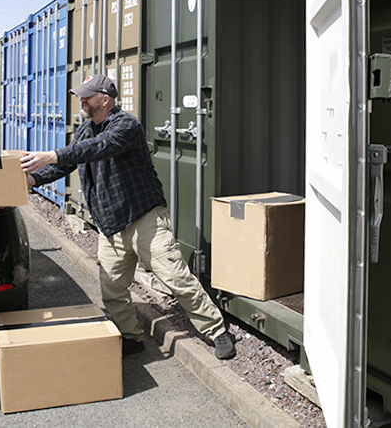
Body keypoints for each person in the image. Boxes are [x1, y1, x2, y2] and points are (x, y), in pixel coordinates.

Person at [20, 75, 236, 360]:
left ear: (105, 99)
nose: (81, 100)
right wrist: (33, 180)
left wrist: (51, 155)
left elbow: (102, 147)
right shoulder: (85, 131)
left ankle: (217, 331)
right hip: (110, 224)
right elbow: (71, 161)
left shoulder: (126, 125)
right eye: (81, 96)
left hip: (144, 217)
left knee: (176, 278)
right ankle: (130, 337)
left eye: (87, 96)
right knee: (112, 288)